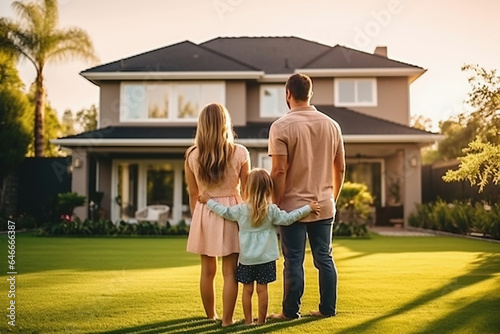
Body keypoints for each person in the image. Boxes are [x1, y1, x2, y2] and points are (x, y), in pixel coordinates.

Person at [198, 168, 321, 325]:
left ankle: (248, 322)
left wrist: (208, 200)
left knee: (247, 291)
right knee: (262, 291)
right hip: (266, 259)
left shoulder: (241, 209)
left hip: (246, 259)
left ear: (248, 188)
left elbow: (224, 212)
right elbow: (289, 218)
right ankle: (261, 322)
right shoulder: (271, 210)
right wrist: (308, 208)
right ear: (269, 188)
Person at [268, 73, 346, 319]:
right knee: (324, 258)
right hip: (324, 205)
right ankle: (327, 310)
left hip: (291, 208)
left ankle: (290, 312)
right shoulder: (332, 125)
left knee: (293, 260)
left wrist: (274, 204)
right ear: (310, 94)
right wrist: (332, 198)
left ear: (288, 94)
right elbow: (341, 168)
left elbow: (279, 170)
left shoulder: (280, 126)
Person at [185, 103, 251, 327]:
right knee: (230, 270)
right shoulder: (240, 152)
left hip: (204, 212)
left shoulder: (192, 155)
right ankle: (227, 320)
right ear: (226, 124)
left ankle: (210, 316)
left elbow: (194, 193)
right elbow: (247, 190)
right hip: (232, 213)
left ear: (201, 125)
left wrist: (199, 218)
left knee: (207, 270)